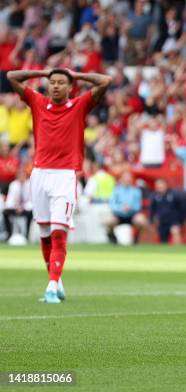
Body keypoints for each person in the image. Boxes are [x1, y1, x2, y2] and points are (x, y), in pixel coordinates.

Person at [7, 67, 111, 303]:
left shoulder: (79, 105)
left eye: (61, 82)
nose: (55, 85)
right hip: (40, 174)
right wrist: (43, 71)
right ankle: (56, 282)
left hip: (65, 176)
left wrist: (77, 74)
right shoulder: (38, 102)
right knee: (44, 234)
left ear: (70, 86)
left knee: (58, 232)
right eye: (52, 82)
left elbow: (105, 80)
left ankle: (52, 286)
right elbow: (11, 77)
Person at [105, 171, 147, 244]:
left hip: (131, 215)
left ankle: (136, 237)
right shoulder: (116, 190)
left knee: (141, 220)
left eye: (128, 179)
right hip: (119, 215)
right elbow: (112, 205)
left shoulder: (136, 191)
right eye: (125, 179)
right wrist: (121, 208)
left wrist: (130, 208)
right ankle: (112, 237)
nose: (127, 181)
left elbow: (138, 206)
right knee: (108, 221)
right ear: (121, 179)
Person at [149, 178, 183, 244]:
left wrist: (180, 221)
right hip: (162, 221)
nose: (160, 186)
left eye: (161, 184)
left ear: (166, 185)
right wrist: (151, 221)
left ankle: (179, 251)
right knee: (163, 240)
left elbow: (181, 208)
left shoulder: (174, 195)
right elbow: (152, 210)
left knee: (175, 231)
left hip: (173, 220)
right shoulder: (154, 196)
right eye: (158, 185)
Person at [2, 169, 33, 241]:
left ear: (26, 177)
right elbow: (10, 200)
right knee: (5, 213)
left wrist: (23, 207)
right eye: (20, 176)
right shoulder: (13, 185)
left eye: (23, 176)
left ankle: (27, 236)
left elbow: (31, 201)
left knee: (31, 214)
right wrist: (16, 207)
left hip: (26, 209)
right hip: (15, 208)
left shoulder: (29, 185)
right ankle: (9, 234)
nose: (22, 178)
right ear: (17, 177)